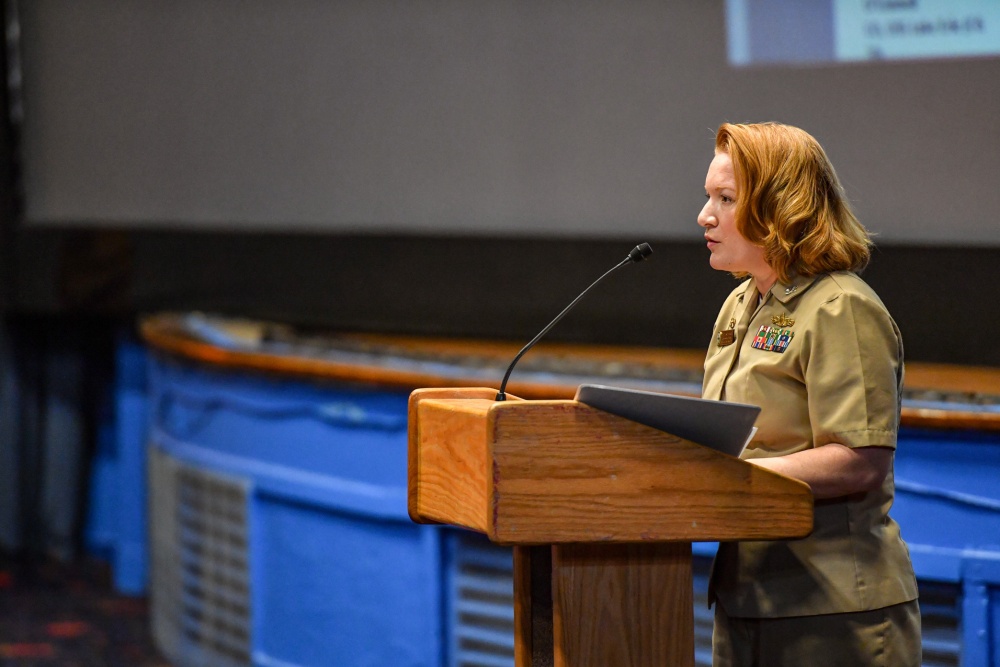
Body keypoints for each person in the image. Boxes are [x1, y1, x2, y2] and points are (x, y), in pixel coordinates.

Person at [697, 122, 921, 666]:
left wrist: (730, 478)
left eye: (726, 199)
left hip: (831, 609)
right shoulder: (739, 306)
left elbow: (860, 459)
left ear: (780, 208)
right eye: (708, 197)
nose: (705, 216)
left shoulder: (840, 306)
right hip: (747, 593)